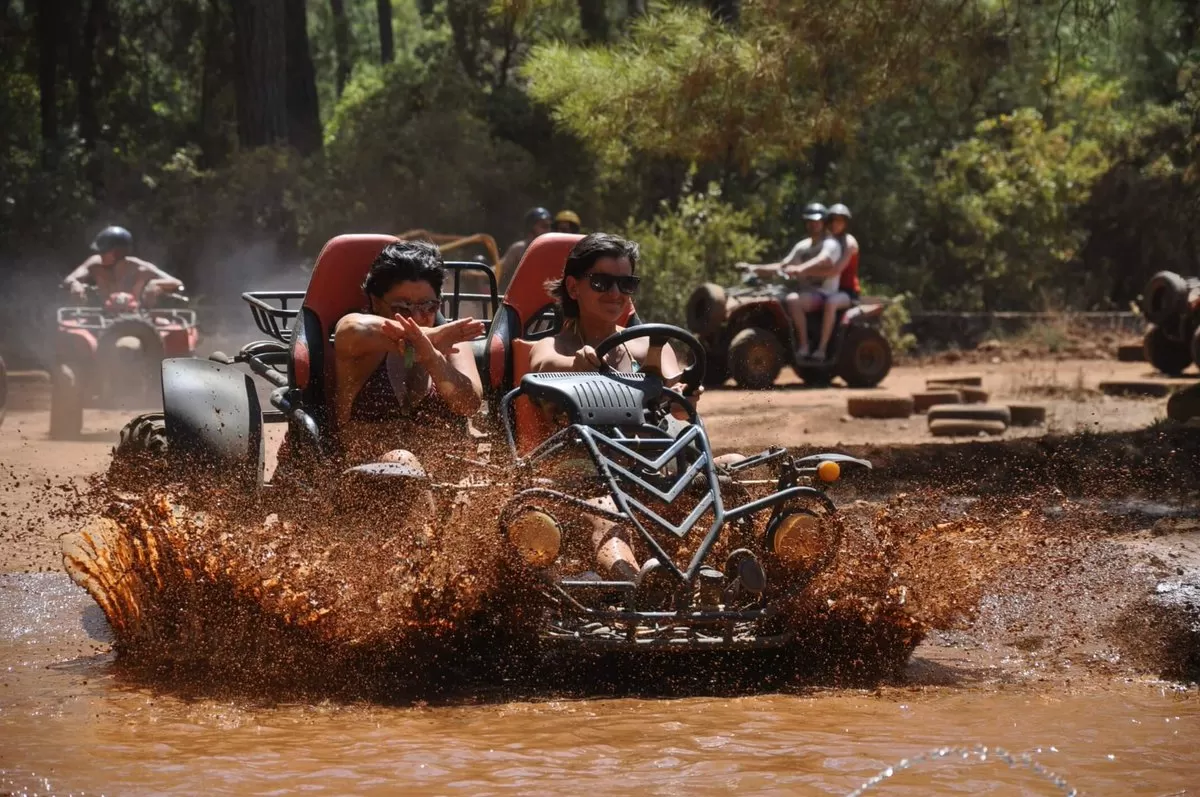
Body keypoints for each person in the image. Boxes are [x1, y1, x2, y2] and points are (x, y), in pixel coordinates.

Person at [529, 232, 719, 586]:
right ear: (574, 288)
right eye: (601, 282)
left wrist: (684, 397)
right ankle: (640, 585)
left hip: (654, 470)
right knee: (606, 514)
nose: (615, 294)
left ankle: (738, 573)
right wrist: (577, 368)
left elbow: (680, 409)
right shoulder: (551, 346)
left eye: (626, 283)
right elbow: (543, 367)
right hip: (585, 476)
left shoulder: (650, 345)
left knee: (731, 473)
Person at [332, 241, 484, 464]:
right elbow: (352, 329)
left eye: (428, 306)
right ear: (376, 302)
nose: (417, 317)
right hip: (364, 476)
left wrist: (432, 358)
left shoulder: (451, 341)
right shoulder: (359, 338)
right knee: (402, 460)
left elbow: (469, 404)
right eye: (402, 308)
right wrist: (429, 338)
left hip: (442, 478)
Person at [736, 202, 843, 361]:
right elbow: (783, 265)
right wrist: (753, 268)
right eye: (809, 221)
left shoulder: (830, 243)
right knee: (777, 296)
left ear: (824, 222)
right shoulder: (803, 246)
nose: (813, 225)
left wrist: (801, 269)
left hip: (824, 294)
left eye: (817, 221)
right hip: (805, 293)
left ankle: (805, 346)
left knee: (793, 300)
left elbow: (824, 259)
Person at [63, 226, 185, 307]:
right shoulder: (95, 264)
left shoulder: (141, 268)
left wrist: (156, 285)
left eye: (103, 251)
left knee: (170, 331)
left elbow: (177, 283)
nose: (99, 254)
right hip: (101, 315)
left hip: (138, 318)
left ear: (117, 253)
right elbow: (70, 278)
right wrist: (75, 284)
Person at [810, 203, 860, 361]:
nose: (835, 225)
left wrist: (805, 272)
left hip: (846, 292)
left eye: (839, 221)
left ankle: (822, 349)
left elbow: (836, 270)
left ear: (845, 223)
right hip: (828, 288)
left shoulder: (849, 242)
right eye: (832, 221)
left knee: (831, 303)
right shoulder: (827, 241)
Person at [499, 207, 553, 294]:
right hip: (519, 298)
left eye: (549, 226)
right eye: (544, 226)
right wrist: (477, 273)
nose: (548, 230)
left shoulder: (552, 251)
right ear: (531, 228)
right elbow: (499, 269)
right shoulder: (519, 249)